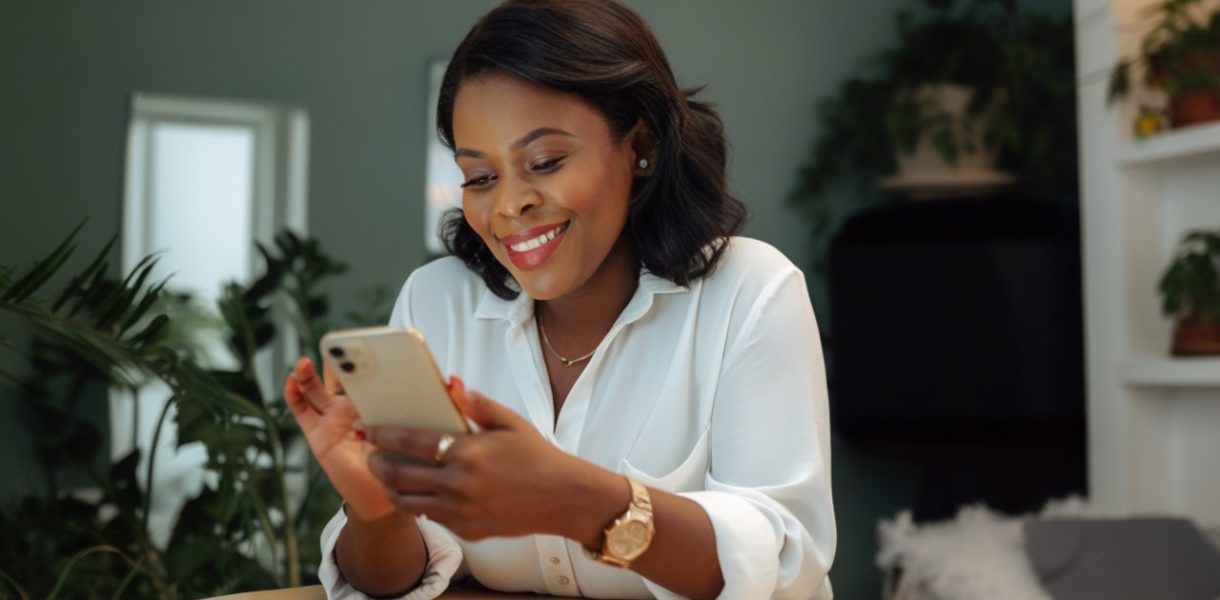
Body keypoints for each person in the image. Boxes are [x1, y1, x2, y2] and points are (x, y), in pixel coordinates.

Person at [283, 0, 835, 598]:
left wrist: (577, 501)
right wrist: (377, 507)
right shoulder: (436, 303)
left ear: (640, 143)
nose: (508, 206)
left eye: (544, 162)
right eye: (480, 177)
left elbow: (782, 564)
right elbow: (394, 579)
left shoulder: (749, 293)